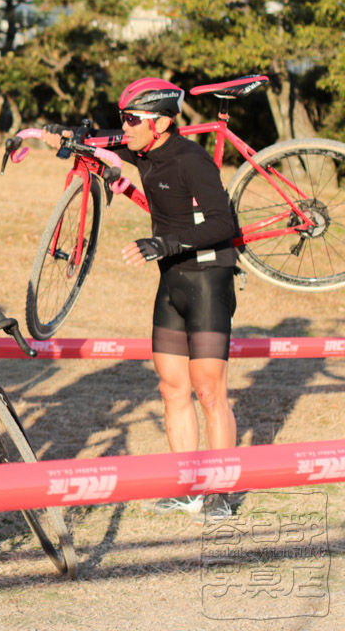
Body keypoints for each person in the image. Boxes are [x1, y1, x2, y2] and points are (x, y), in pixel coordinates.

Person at [43, 77, 240, 522]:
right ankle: (186, 486)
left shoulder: (193, 160)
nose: (125, 128)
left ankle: (221, 490)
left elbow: (222, 224)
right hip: (172, 281)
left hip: (209, 277)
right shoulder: (145, 150)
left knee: (210, 391)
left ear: (163, 123)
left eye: (133, 120)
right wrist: (54, 134)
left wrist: (162, 244)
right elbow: (99, 142)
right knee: (172, 388)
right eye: (124, 119)